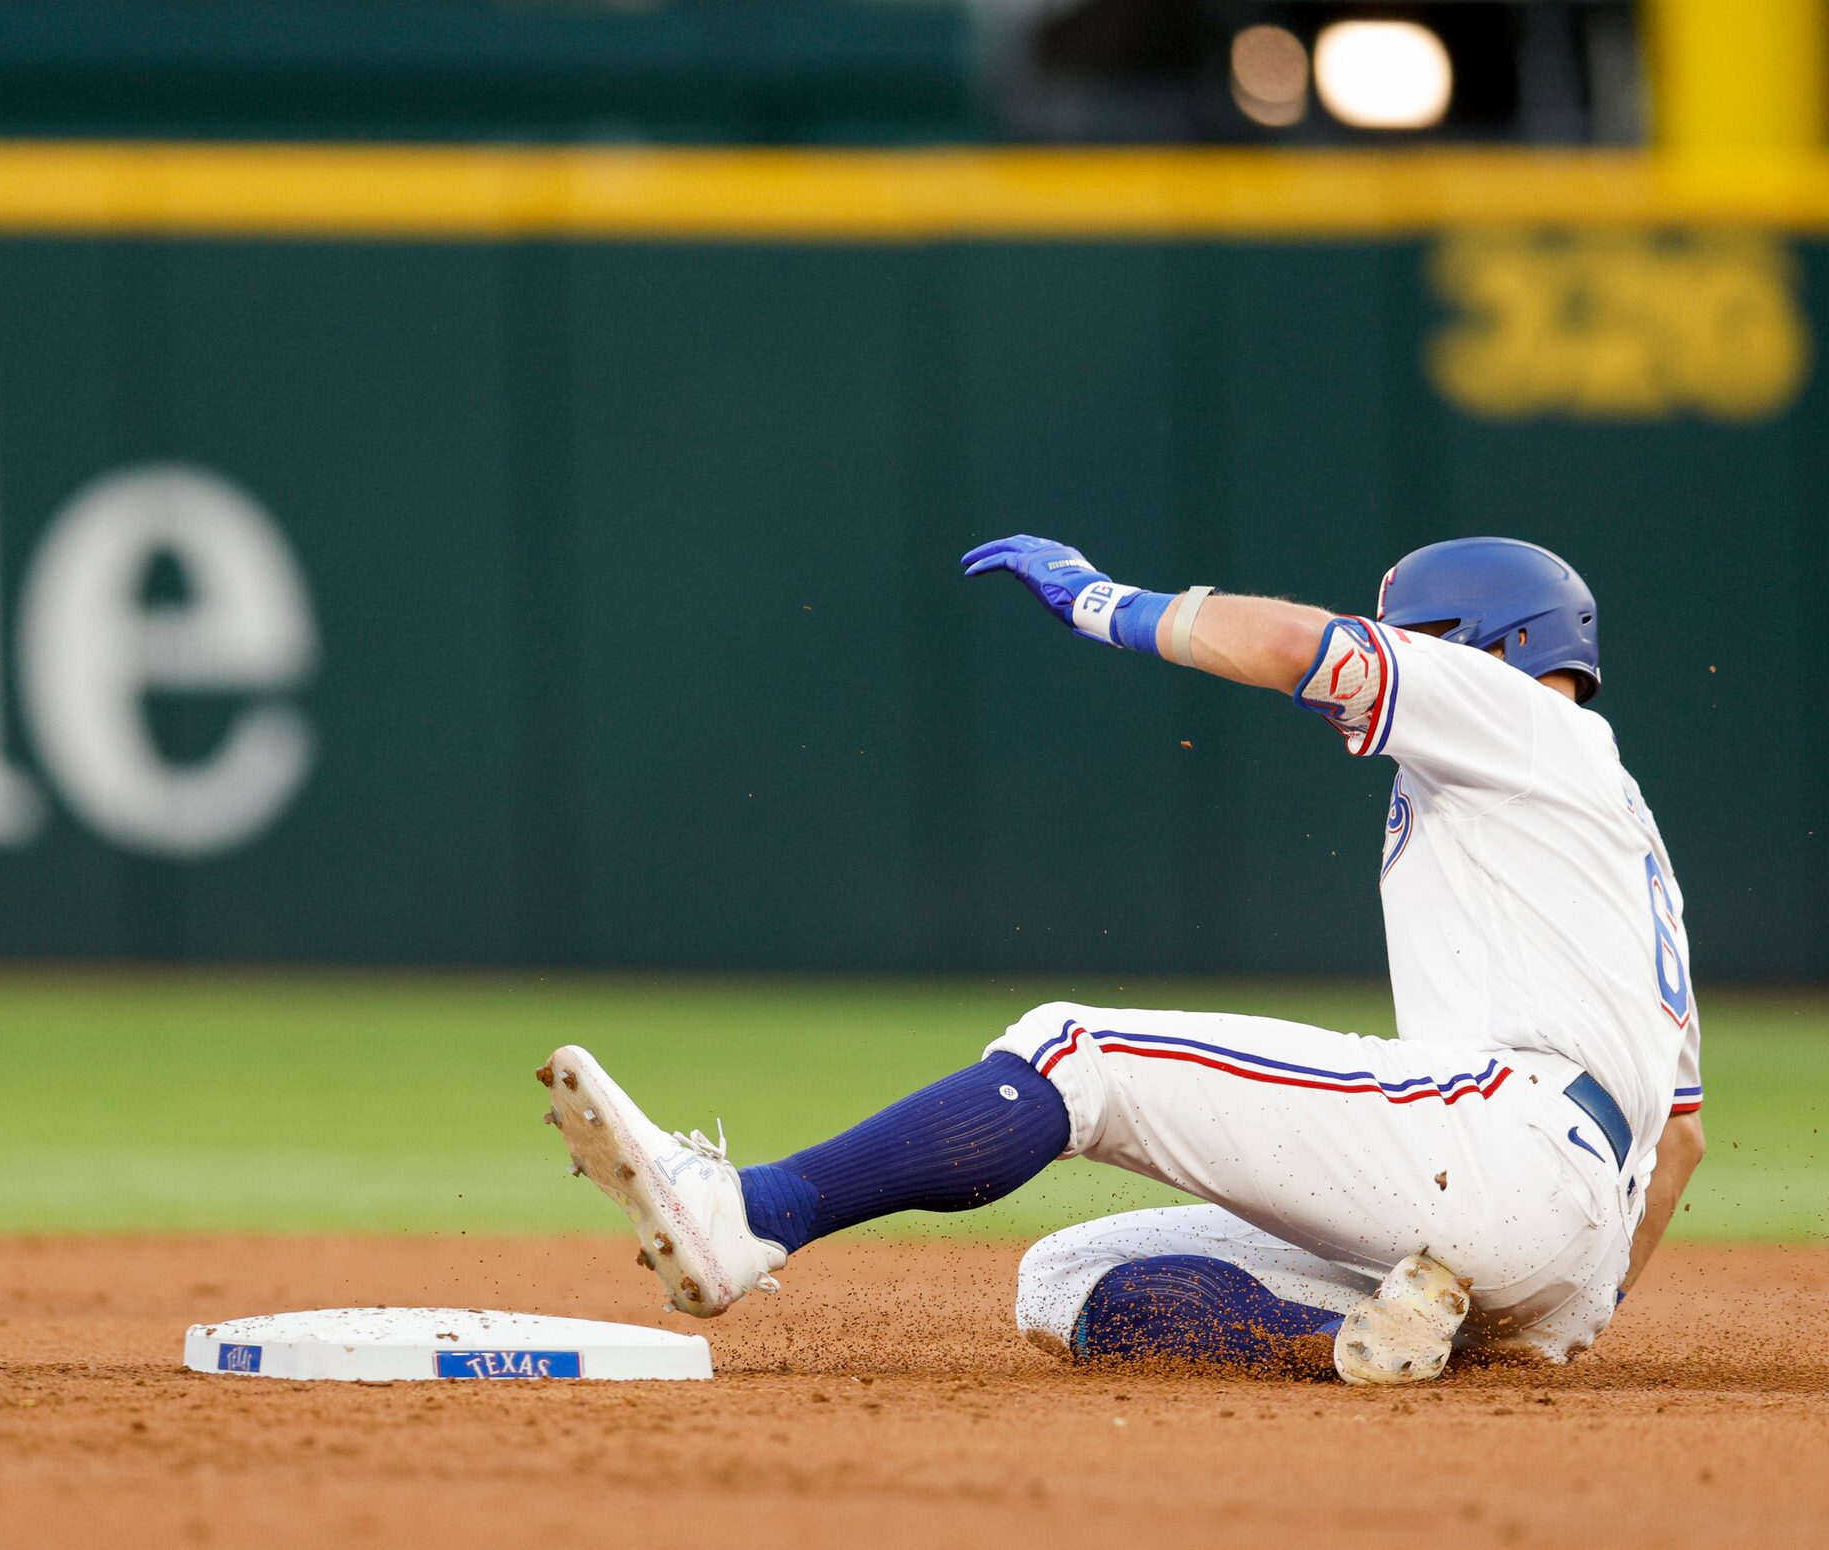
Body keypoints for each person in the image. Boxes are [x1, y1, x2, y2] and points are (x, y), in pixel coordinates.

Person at [538, 534, 1706, 1384]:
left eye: (1410, 634)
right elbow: (1683, 1142)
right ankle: (1373, 1346)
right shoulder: (1620, 834)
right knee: (1063, 1283)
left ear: (1479, 644)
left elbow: (1303, 647)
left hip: (1502, 1139)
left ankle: (747, 1213)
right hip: (1562, 1227)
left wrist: (1111, 603)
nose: (1390, 651)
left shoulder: (1521, 717)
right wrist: (1555, 1307)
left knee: (1074, 1048)